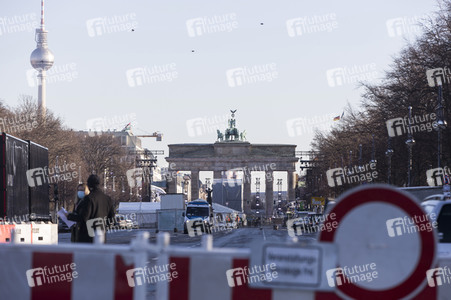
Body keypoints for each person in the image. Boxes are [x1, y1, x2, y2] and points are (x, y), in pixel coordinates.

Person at [67, 174, 115, 243]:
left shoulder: (89, 198)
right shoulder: (107, 199)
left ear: (89, 185)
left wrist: (69, 216)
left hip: (87, 236)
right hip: (101, 236)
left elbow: (84, 217)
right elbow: (111, 218)